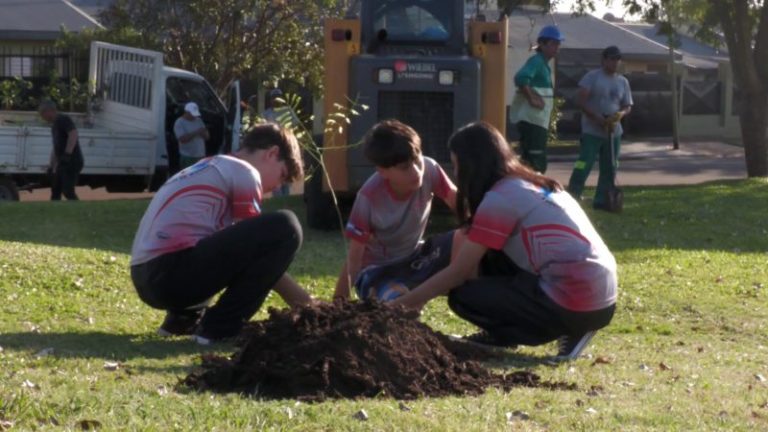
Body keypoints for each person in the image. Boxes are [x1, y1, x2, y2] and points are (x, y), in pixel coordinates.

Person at [391, 122, 617, 361]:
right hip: (603, 299)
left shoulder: (500, 199)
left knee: (462, 296)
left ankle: (564, 329)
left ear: (472, 166)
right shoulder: (534, 182)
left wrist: (398, 306)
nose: (456, 173)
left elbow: (458, 272)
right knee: (489, 262)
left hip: (575, 304)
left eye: (457, 166)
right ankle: (510, 335)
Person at [130, 123, 311, 345]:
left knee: (219, 236)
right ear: (272, 154)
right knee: (286, 226)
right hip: (170, 273)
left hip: (145, 276)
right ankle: (219, 328)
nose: (274, 188)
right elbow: (258, 253)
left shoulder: (210, 166)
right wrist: (305, 304)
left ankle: (182, 320)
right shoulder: (245, 173)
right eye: (282, 176)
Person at [333, 120, 457, 302]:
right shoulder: (368, 198)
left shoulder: (430, 168)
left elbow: (460, 204)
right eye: (404, 167)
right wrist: (338, 301)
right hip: (378, 271)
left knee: (466, 242)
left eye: (417, 160)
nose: (416, 171)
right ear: (383, 171)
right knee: (397, 304)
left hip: (416, 258)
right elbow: (354, 259)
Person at [567, 46, 633, 210]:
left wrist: (619, 116)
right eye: (611, 59)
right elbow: (580, 102)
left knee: (610, 166)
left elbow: (627, 105)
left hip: (613, 133)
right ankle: (574, 195)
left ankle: (603, 200)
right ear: (603, 60)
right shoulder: (592, 77)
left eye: (617, 59)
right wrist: (596, 118)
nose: (614, 62)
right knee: (584, 163)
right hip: (592, 131)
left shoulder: (623, 81)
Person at [509, 25, 564, 174]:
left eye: (558, 44)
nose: (557, 47)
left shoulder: (543, 64)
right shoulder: (537, 61)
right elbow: (520, 78)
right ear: (542, 44)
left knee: (528, 161)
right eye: (553, 43)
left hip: (537, 121)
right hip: (533, 121)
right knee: (537, 161)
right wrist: (532, 99)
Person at [39, 100, 84, 201]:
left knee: (67, 190)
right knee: (55, 190)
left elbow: (73, 134)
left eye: (42, 113)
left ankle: (78, 209)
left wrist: (67, 154)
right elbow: (56, 147)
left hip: (72, 161)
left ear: (49, 111)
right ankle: (55, 211)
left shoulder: (63, 119)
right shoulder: (54, 125)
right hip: (63, 162)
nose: (42, 117)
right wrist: (51, 166)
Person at [262, 89, 299, 196]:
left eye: (279, 97)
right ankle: (277, 196)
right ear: (270, 100)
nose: (276, 99)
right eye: (274, 97)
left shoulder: (288, 111)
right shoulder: (266, 113)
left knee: (286, 170)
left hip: (286, 145)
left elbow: (296, 125)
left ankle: (286, 196)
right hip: (272, 147)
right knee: (274, 171)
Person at [173, 102, 209, 170]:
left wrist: (204, 133)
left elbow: (207, 137)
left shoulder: (199, 120)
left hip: (201, 156)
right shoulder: (179, 122)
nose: (194, 116)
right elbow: (182, 139)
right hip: (188, 157)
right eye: (192, 114)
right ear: (186, 112)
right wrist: (196, 132)